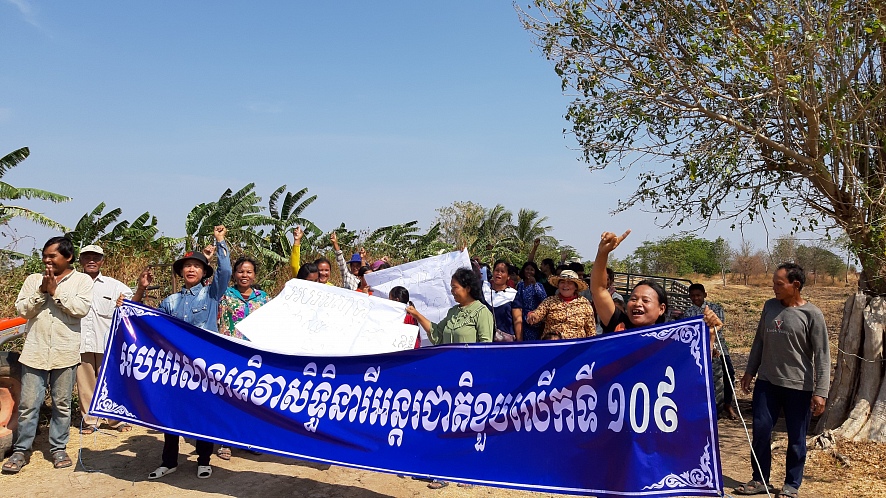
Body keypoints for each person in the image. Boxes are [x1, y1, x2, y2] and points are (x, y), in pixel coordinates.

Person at [733, 263, 830, 498]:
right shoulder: (769, 307)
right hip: (767, 384)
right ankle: (759, 480)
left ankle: (791, 485)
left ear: (795, 285)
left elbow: (823, 356)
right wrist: (750, 371)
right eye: (773, 283)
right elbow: (759, 341)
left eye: (779, 283)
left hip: (799, 387)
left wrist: (821, 392)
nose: (773, 287)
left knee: (797, 439)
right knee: (761, 432)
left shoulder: (812, 315)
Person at [2, 237, 93, 474]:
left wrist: (57, 293)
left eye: (52, 256)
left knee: (62, 405)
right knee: (28, 405)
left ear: (68, 257)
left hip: (65, 352)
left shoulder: (82, 280)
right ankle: (21, 451)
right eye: (45, 256)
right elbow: (22, 310)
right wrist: (42, 292)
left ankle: (58, 448)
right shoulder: (33, 280)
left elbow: (80, 310)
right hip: (35, 352)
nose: (46, 260)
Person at [148, 225, 231, 480]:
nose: (191, 269)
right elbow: (151, 325)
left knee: (203, 412)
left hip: (204, 366)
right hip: (175, 368)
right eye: (187, 266)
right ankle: (169, 461)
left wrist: (220, 242)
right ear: (181, 272)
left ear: (204, 271)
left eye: (197, 266)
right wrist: (133, 299)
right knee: (171, 414)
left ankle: (204, 460)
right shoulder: (170, 301)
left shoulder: (211, 294)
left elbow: (226, 271)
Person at [405, 268, 492, 489]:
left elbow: (486, 348)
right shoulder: (453, 312)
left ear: (468, 288)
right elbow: (436, 335)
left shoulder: (483, 312)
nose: (452, 292)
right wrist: (416, 315)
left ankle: (468, 472)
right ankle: (443, 471)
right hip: (447, 377)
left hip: (471, 381)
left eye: (455, 287)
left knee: (468, 423)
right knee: (446, 420)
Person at [592, 230, 723, 334]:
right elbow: (599, 289)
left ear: (661, 309)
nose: (637, 304)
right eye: (633, 299)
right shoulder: (618, 324)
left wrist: (710, 334)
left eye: (645, 300)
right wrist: (603, 253)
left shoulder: (672, 337)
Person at [77, 244, 139, 435]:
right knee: (85, 384)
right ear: (80, 261)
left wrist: (125, 302)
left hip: (108, 343)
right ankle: (90, 421)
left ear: (102, 261)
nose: (91, 261)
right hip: (81, 342)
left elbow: (132, 301)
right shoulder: (73, 283)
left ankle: (115, 420)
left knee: (111, 382)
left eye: (95, 257)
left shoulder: (114, 285)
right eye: (87, 257)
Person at [216, 255, 269, 460]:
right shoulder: (224, 294)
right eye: (240, 271)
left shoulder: (263, 298)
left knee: (251, 397)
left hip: (255, 355)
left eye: (249, 271)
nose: (244, 275)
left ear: (255, 275)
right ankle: (224, 441)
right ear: (234, 274)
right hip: (229, 353)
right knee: (228, 397)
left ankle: (250, 439)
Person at [686, 283, 738, 420]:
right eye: (692, 296)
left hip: (719, 346)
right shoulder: (688, 312)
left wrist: (713, 345)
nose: (695, 298)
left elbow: (718, 327)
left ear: (705, 295)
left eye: (698, 295)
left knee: (729, 374)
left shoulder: (715, 308)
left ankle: (727, 404)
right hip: (700, 348)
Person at [526, 270, 595, 339]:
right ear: (558, 285)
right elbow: (538, 313)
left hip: (576, 346)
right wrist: (533, 315)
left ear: (575, 287)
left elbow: (591, 330)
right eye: (562, 282)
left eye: (569, 283)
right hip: (553, 345)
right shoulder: (550, 301)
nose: (565, 285)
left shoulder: (584, 303)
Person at [512, 261, 548, 341]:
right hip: (520, 318)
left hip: (532, 320)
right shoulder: (520, 284)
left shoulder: (538, 285)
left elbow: (544, 299)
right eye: (527, 269)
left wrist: (535, 285)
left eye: (532, 270)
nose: (529, 271)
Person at [485, 260, 518, 341]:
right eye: (496, 270)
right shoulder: (484, 289)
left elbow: (517, 320)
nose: (499, 273)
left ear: (508, 276)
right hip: (485, 341)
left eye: (502, 271)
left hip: (506, 343)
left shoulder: (513, 294)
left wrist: (519, 344)